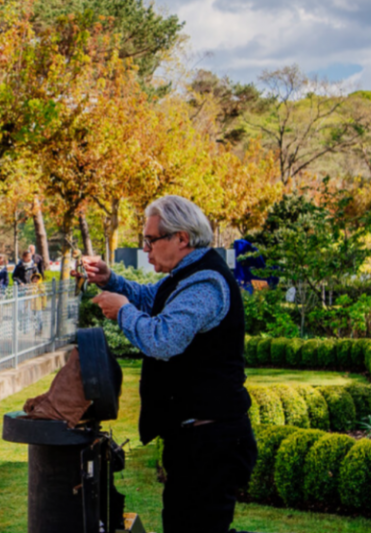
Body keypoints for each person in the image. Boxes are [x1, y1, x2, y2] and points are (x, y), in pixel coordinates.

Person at [88, 195, 253, 533]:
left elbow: (164, 340)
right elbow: (152, 299)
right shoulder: (185, 275)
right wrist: (111, 281)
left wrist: (122, 311)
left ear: (181, 238)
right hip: (197, 440)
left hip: (211, 444)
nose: (145, 248)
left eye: (151, 239)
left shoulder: (205, 283)